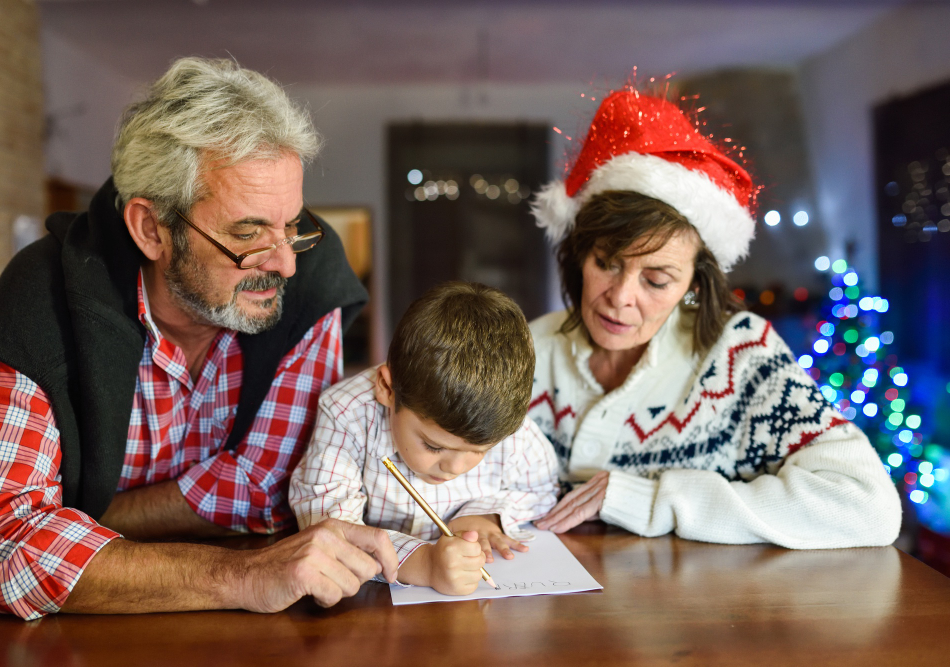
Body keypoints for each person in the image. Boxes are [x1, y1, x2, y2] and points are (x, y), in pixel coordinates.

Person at [0, 58, 399, 621]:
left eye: (291, 225)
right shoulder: (45, 293)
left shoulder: (311, 275)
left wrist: (72, 518)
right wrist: (240, 574)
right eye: (247, 233)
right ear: (150, 229)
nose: (284, 263)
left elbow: (270, 487)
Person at [527, 88, 901, 548]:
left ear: (695, 285)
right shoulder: (529, 351)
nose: (620, 297)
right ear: (578, 255)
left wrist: (655, 500)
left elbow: (868, 507)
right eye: (606, 263)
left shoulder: (742, 356)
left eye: (657, 280)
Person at [289, 282, 559, 595]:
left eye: (479, 451)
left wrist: (487, 514)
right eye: (433, 445)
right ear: (387, 389)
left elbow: (542, 488)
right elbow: (328, 530)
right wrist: (425, 564)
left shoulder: (504, 421)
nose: (454, 467)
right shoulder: (346, 414)